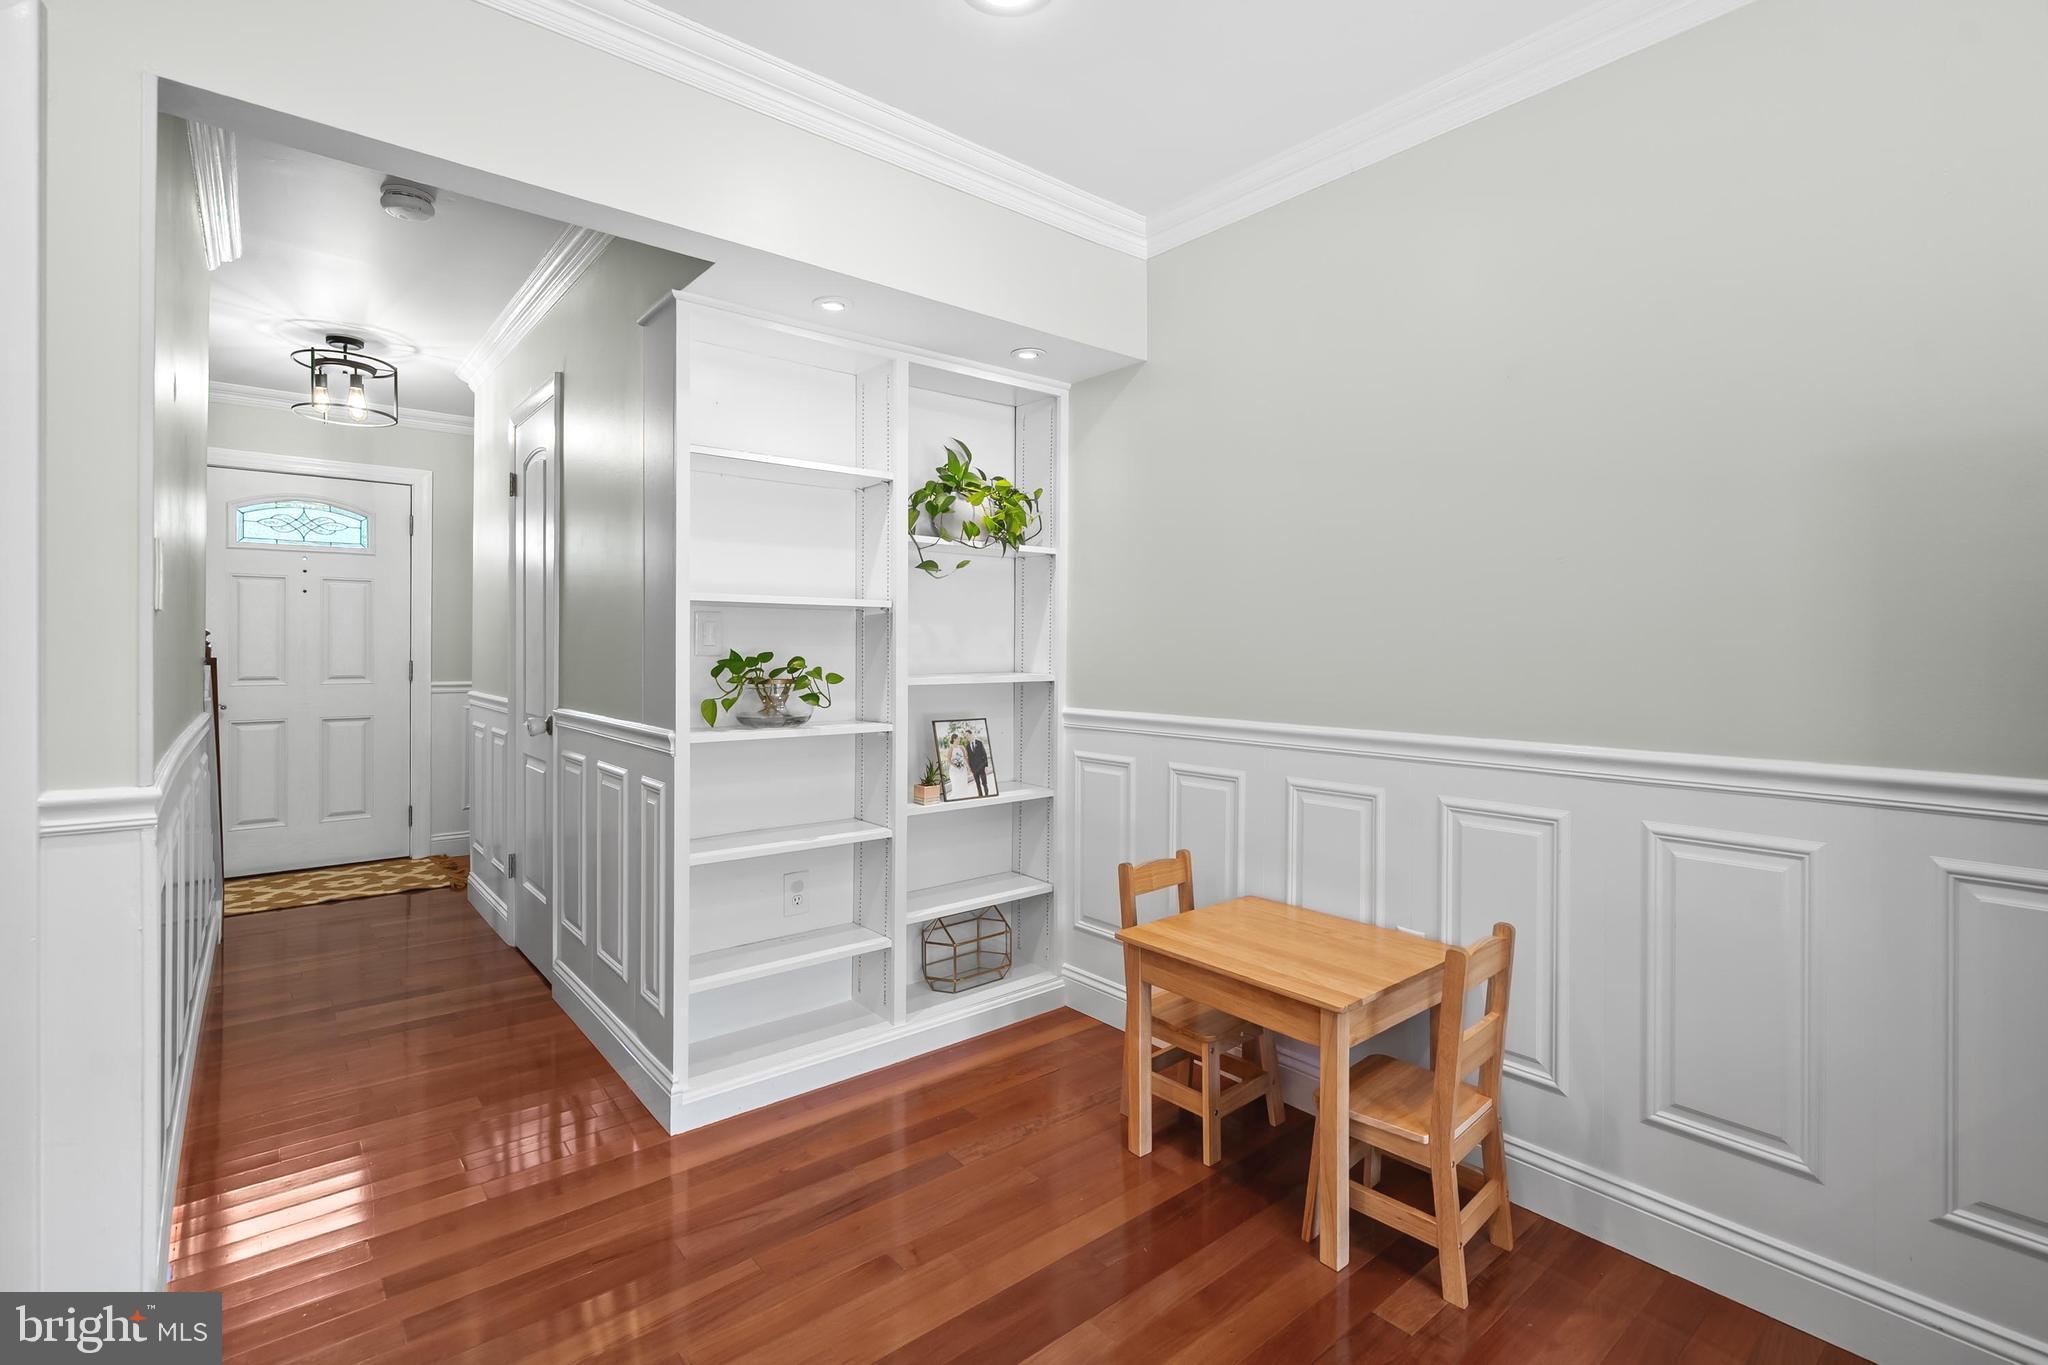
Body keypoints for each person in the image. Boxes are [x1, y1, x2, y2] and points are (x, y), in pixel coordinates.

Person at [966, 732, 992, 798]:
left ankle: (987, 796)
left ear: (971, 735)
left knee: (984, 783)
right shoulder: (967, 746)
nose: (967, 737)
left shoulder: (979, 743)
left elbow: (984, 754)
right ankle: (980, 796)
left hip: (981, 767)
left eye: (968, 735)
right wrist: (970, 768)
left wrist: (985, 766)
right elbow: (969, 758)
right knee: (978, 784)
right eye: (966, 736)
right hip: (974, 769)